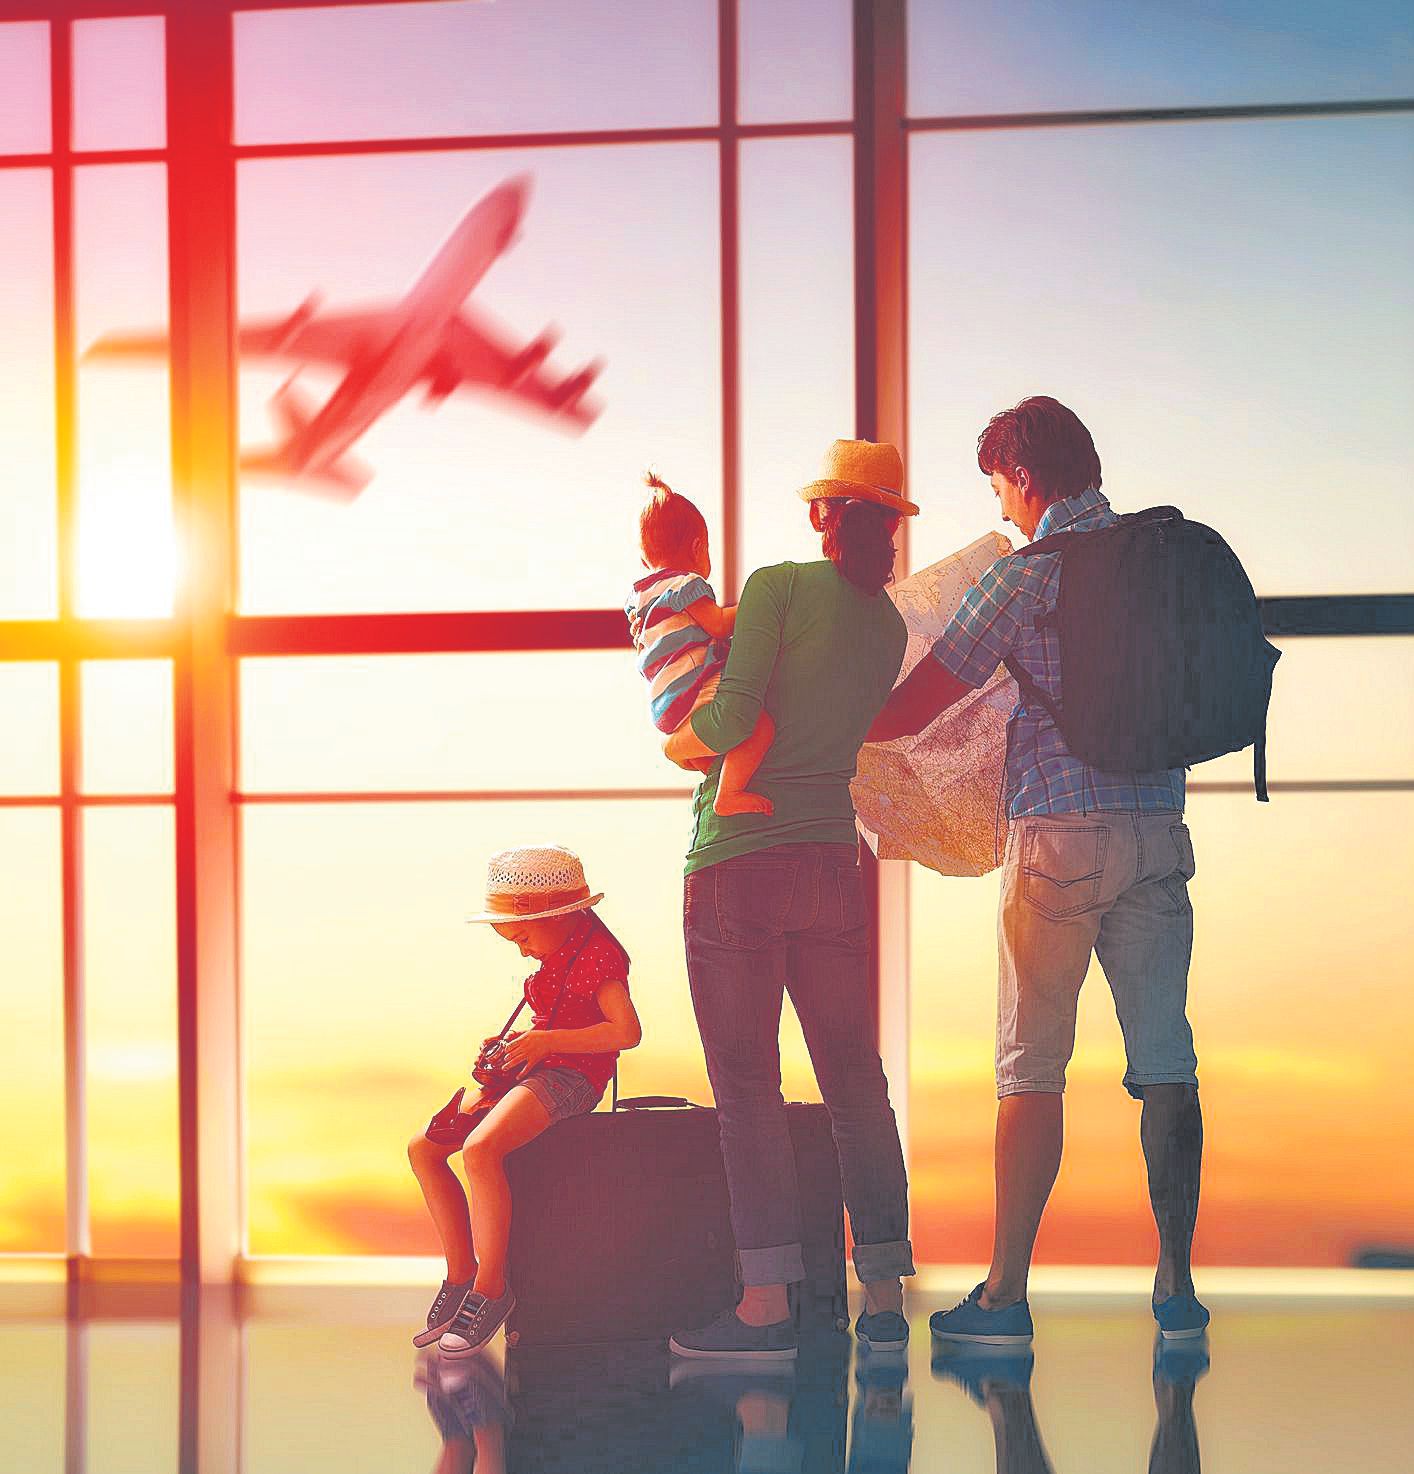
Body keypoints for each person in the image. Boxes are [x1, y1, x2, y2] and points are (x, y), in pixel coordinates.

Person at [868, 395, 1208, 1346]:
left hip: (1058, 840)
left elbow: (924, 699)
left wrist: (834, 730)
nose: (1002, 510)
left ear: (1022, 476)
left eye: (998, 489)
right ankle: (1176, 1285)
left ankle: (1005, 1295)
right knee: (1168, 1063)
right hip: (1160, 835)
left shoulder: (1028, 575)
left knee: (1031, 1072)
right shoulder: (1161, 564)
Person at [662, 438, 919, 1360]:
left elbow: (729, 722)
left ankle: (764, 1310)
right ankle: (883, 1296)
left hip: (738, 861)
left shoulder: (775, 586)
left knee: (748, 1091)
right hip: (828, 863)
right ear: (888, 524)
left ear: (823, 515)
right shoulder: (885, 627)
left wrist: (678, 742)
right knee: (855, 1082)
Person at [407, 844, 641, 1356]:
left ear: (556, 915)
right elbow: (547, 1022)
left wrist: (546, 1042)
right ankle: (460, 1273)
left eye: (522, 936)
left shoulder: (599, 956)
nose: (522, 950)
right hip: (538, 1070)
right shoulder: (559, 952)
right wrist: (513, 1048)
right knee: (423, 1148)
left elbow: (626, 1032)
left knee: (480, 1151)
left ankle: (492, 1290)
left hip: (572, 1078)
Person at [626, 470, 776, 817]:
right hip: (697, 696)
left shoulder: (640, 598)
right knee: (762, 726)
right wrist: (759, 605)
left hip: (667, 708)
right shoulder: (686, 584)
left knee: (709, 755)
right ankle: (729, 794)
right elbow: (719, 625)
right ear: (698, 548)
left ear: (646, 562)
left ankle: (721, 789)